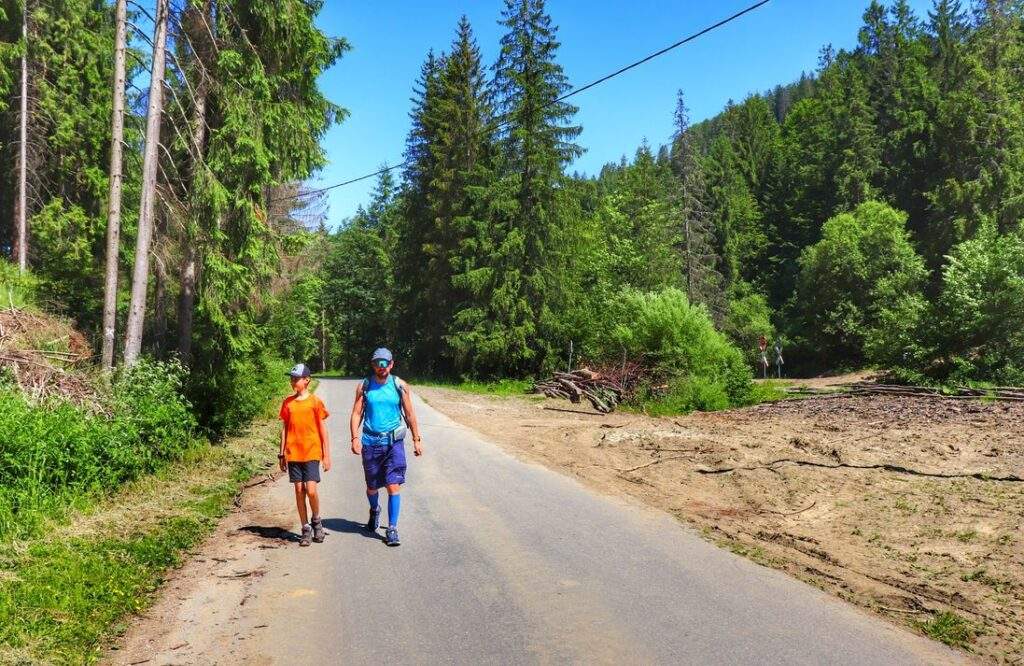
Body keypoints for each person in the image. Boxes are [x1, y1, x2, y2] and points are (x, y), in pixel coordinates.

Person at [349, 348, 423, 547]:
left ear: (391, 364)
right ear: (373, 365)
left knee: (393, 485)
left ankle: (392, 528)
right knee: (372, 487)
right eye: (377, 363)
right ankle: (374, 511)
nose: (381, 367)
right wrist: (354, 437)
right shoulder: (364, 386)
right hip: (371, 443)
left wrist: (416, 439)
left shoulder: (400, 385)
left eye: (385, 363)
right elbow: (356, 414)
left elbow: (410, 414)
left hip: (393, 443)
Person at [278, 363, 331, 547]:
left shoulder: (315, 402)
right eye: (291, 378)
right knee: (299, 490)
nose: (293, 381)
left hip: (312, 452)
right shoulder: (288, 403)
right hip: (293, 453)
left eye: (296, 378)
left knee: (311, 490)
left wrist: (326, 455)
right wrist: (281, 454)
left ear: (307, 380)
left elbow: (323, 430)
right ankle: (305, 528)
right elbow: (284, 429)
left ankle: (317, 521)